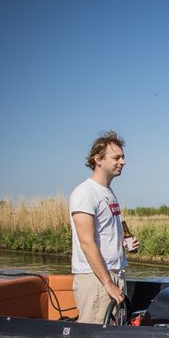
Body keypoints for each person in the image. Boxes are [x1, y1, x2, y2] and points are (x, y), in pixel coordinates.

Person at [69, 130, 139, 324]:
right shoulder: (85, 193)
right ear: (98, 159)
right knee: (94, 335)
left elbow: (106, 234)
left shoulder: (108, 192)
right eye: (116, 158)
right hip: (97, 279)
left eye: (123, 157)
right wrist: (108, 283)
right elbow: (86, 242)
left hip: (115, 274)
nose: (123, 162)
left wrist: (125, 243)